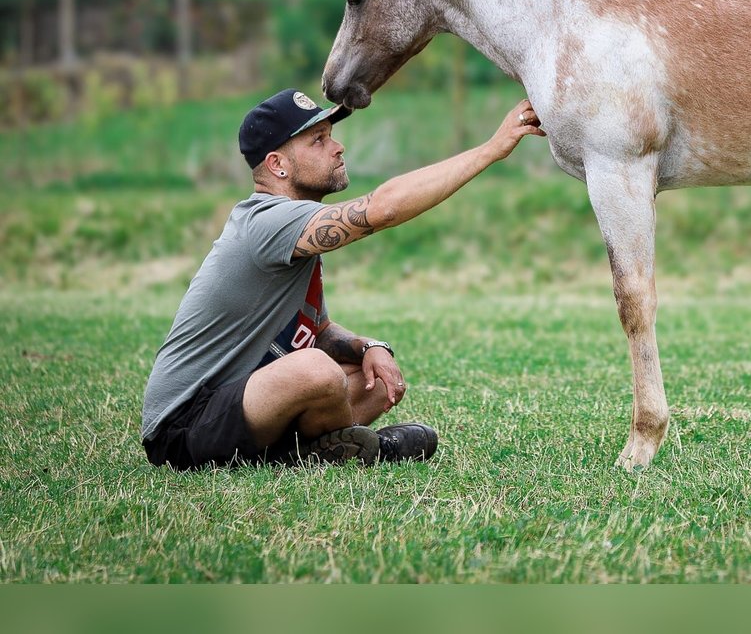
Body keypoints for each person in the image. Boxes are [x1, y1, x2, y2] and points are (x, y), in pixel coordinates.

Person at [141, 88, 545, 470]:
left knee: (371, 383)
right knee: (317, 371)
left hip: (243, 405)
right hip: (184, 425)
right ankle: (357, 449)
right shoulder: (265, 221)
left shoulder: (294, 227)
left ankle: (309, 452)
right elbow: (382, 209)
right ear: (277, 164)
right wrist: (492, 149)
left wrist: (368, 347)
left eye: (330, 135)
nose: (338, 146)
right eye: (318, 140)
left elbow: (317, 330)